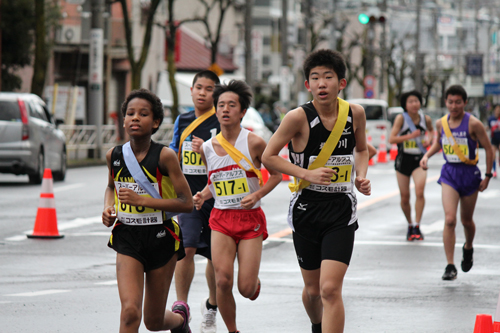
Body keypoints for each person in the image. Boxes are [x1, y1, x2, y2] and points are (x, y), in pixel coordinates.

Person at [262, 49, 371, 333]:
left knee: (330, 289)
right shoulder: (297, 117)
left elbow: (362, 150)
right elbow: (268, 156)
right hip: (306, 210)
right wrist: (305, 173)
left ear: (341, 83)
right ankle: (316, 324)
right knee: (313, 291)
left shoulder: (355, 113)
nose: (322, 83)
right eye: (315, 78)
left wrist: (361, 176)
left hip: (340, 211)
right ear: (307, 84)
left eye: (328, 77)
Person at [102, 89, 194, 332]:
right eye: (130, 113)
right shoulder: (114, 155)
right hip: (127, 236)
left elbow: (187, 203)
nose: (135, 118)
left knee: (153, 322)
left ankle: (180, 321)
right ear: (123, 120)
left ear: (154, 122)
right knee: (130, 312)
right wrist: (108, 207)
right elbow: (111, 187)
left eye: (143, 114)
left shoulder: (165, 156)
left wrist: (142, 201)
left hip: (161, 237)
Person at [193, 80, 281, 333]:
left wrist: (257, 195)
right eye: (221, 105)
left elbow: (274, 175)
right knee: (222, 281)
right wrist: (203, 195)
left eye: (232, 105)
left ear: (242, 112)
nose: (225, 109)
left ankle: (253, 283)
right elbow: (216, 181)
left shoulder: (254, 142)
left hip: (249, 219)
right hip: (221, 219)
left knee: (245, 289)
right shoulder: (208, 148)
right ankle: (233, 330)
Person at [420, 85, 493, 281]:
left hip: (470, 174)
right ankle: (450, 265)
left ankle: (468, 247)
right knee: (450, 219)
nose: (454, 106)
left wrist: (487, 176)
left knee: (466, 221)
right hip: (449, 174)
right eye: (450, 102)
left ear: (465, 103)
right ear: (445, 102)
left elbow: (489, 148)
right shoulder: (440, 123)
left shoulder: (474, 124)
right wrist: (427, 155)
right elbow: (439, 142)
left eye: (458, 102)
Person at [169, 70, 220, 333]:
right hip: (188, 198)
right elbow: (175, 155)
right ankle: (182, 308)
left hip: (216, 197)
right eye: (198, 87)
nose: (202, 92)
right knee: (186, 248)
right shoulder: (183, 119)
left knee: (215, 256)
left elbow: (227, 163)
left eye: (208, 88)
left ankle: (211, 306)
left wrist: (205, 151)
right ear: (191, 90)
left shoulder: (222, 119)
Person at [388, 90, 434, 241]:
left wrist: (429, 140)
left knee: (420, 192)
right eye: (410, 101)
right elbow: (392, 139)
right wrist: (410, 136)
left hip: (419, 160)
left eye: (416, 101)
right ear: (405, 105)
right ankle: (409, 223)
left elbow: (433, 131)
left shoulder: (425, 119)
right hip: (403, 160)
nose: (414, 104)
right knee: (405, 197)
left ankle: (417, 226)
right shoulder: (401, 119)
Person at [487, 104, 500, 178]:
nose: (498, 111)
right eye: (497, 110)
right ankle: (494, 170)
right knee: (493, 155)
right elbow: (489, 127)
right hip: (494, 139)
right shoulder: (491, 119)